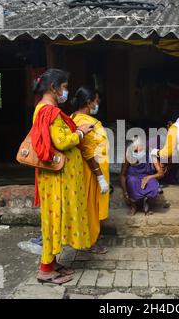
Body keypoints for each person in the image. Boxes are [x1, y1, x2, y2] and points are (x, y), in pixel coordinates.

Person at [32, 69, 94, 284]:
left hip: (57, 178)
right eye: (65, 87)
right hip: (56, 179)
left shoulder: (45, 109)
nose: (66, 92)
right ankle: (45, 270)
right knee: (54, 219)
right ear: (53, 88)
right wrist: (81, 132)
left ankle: (53, 263)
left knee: (56, 217)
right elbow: (61, 142)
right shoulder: (49, 111)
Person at [71, 86, 110, 254]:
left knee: (90, 206)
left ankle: (90, 238)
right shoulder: (83, 122)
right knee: (90, 207)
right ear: (89, 102)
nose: (97, 104)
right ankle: (90, 241)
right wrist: (100, 177)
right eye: (96, 101)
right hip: (91, 172)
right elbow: (88, 152)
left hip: (94, 171)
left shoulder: (78, 118)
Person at [120, 137, 164, 216]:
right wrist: (125, 192)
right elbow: (123, 175)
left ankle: (146, 202)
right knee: (131, 182)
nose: (138, 152)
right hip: (133, 178)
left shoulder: (150, 154)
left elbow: (161, 173)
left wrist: (149, 177)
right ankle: (133, 206)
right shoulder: (128, 156)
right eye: (135, 151)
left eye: (140, 150)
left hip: (146, 177)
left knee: (153, 184)